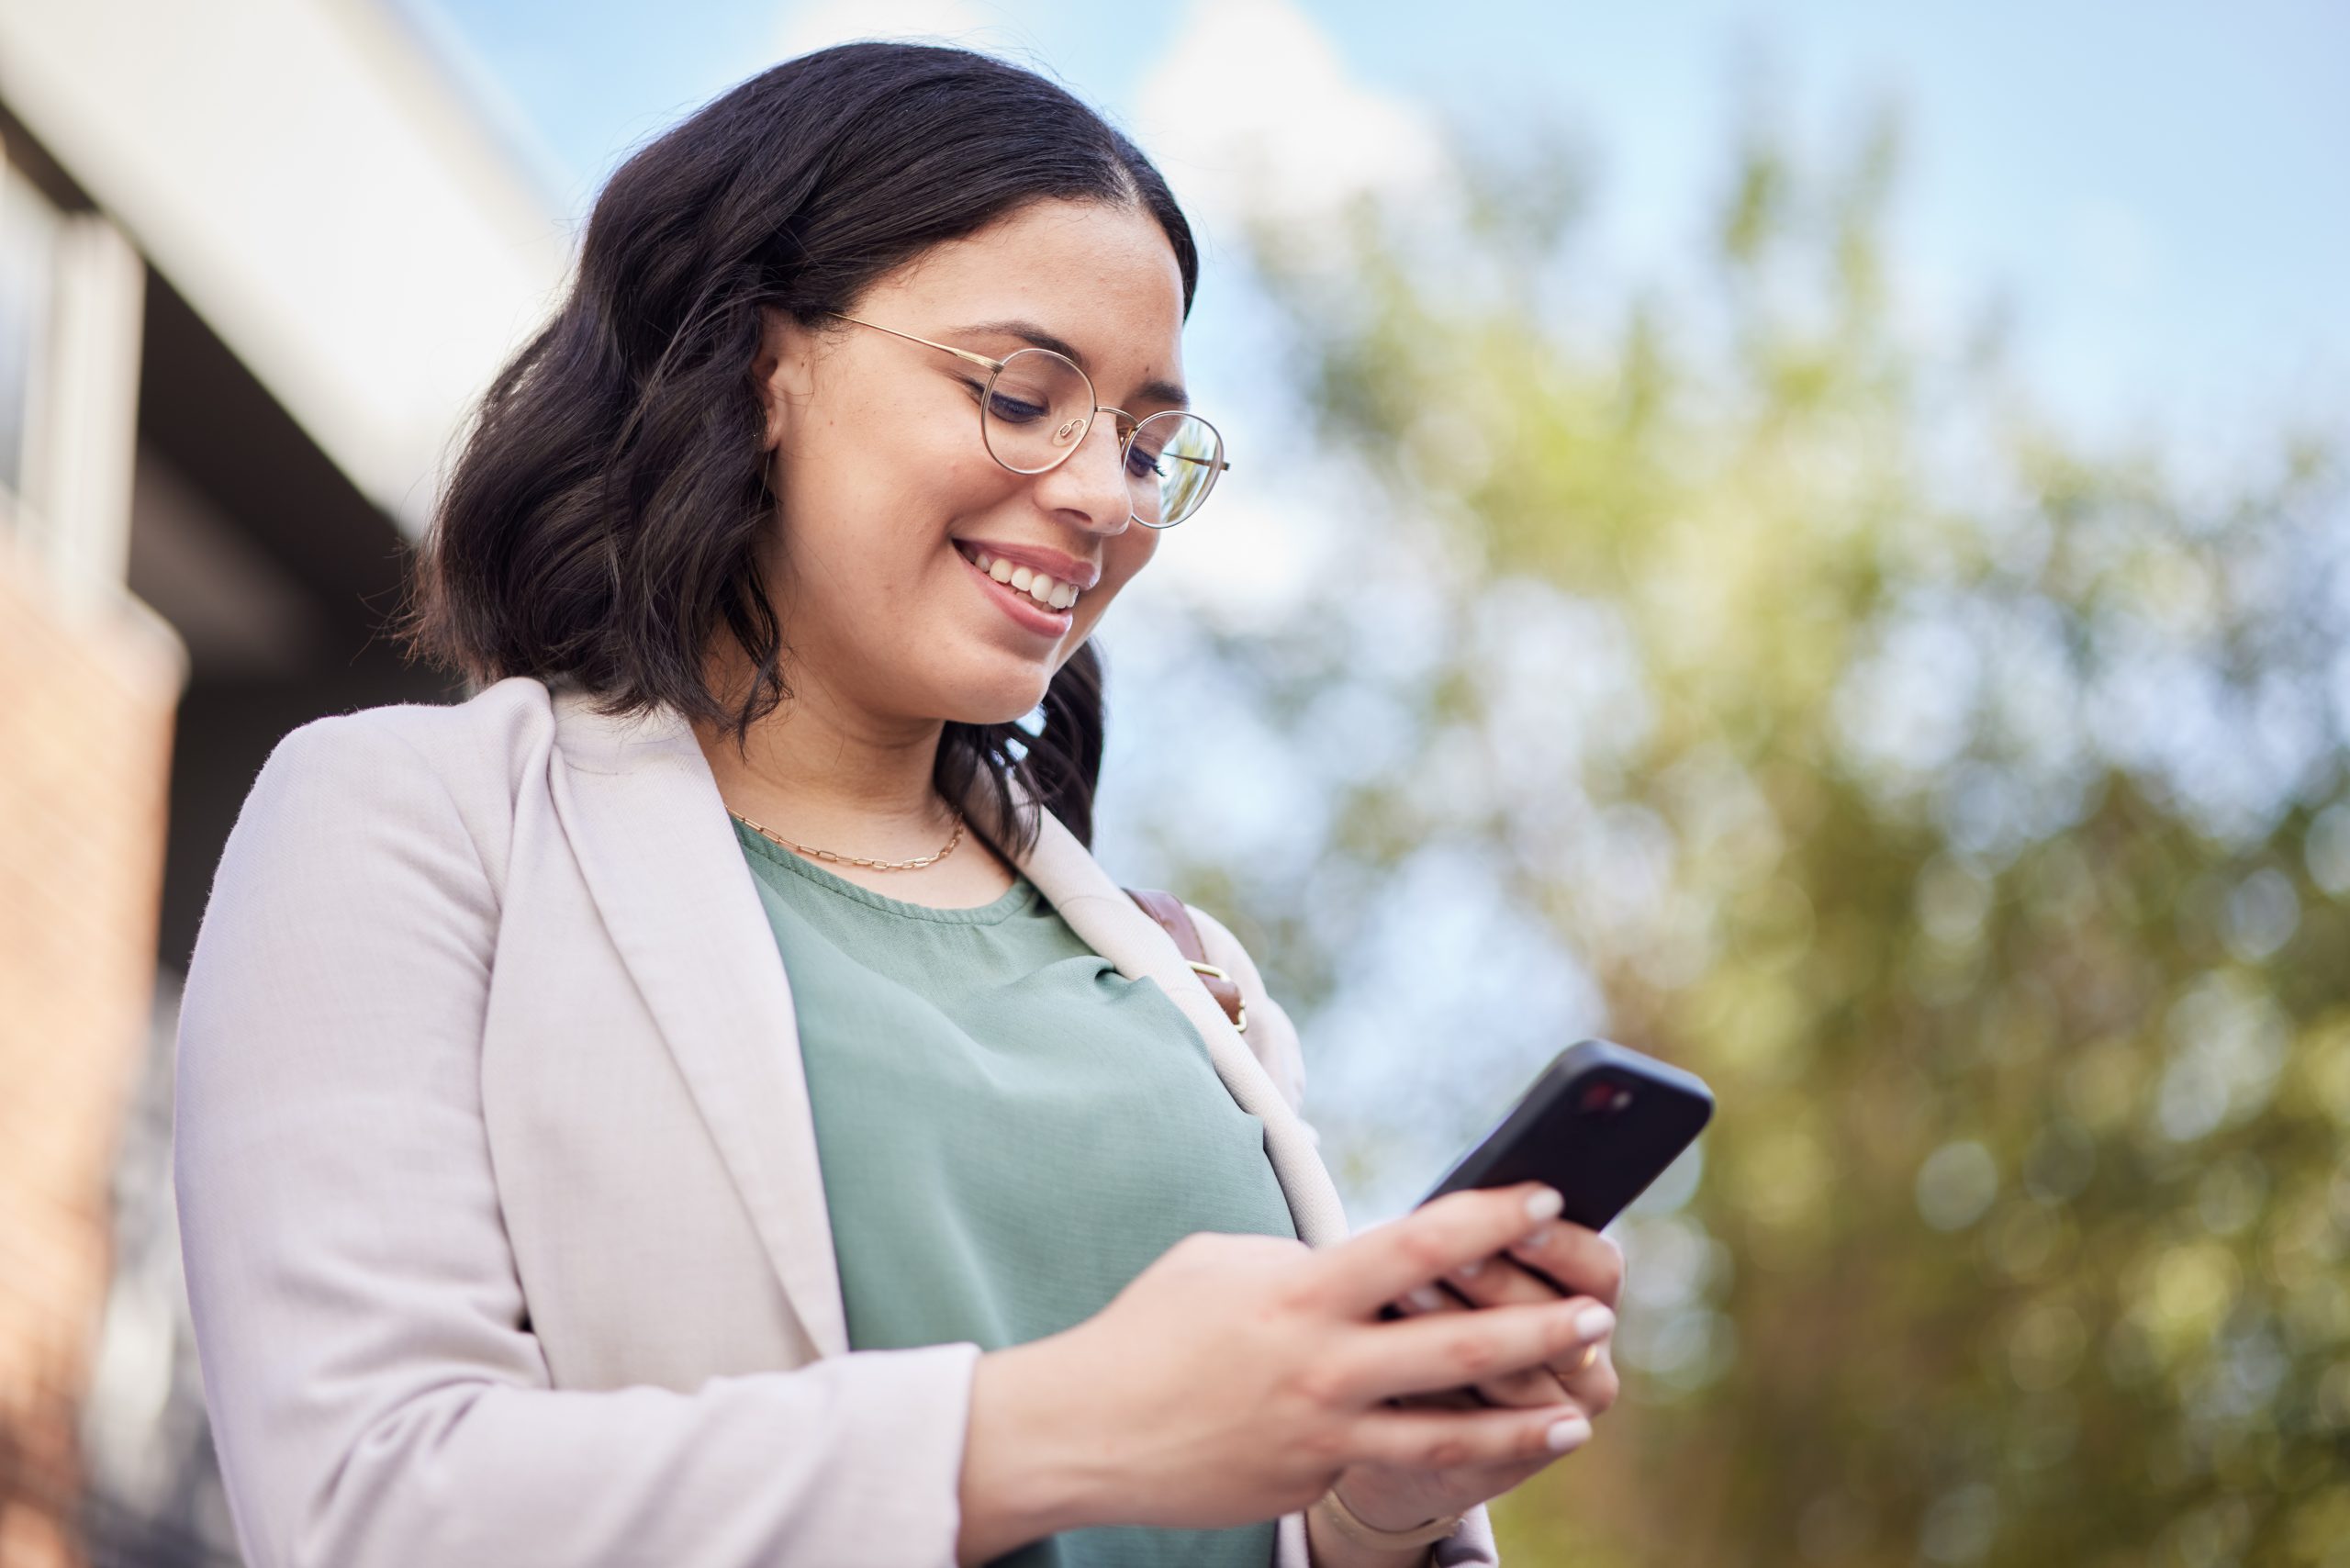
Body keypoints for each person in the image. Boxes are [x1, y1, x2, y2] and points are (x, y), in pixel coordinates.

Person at [172, 40, 1625, 1568]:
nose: (1104, 497)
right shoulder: (416, 830)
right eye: (1022, 392)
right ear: (761, 365)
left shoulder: (1186, 980)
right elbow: (374, 1503)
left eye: (1143, 443)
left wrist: (1363, 1512)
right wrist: (1061, 1429)